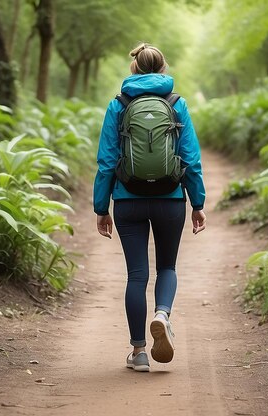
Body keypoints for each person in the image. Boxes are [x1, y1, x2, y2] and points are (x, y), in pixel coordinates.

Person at [92, 43, 206, 372]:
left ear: (134, 69)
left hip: (128, 201)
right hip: (170, 199)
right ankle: (162, 314)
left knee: (136, 275)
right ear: (163, 68)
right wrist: (197, 202)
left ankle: (139, 352)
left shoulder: (118, 105)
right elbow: (191, 159)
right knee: (167, 267)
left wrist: (102, 207)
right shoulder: (176, 104)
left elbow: (107, 161)